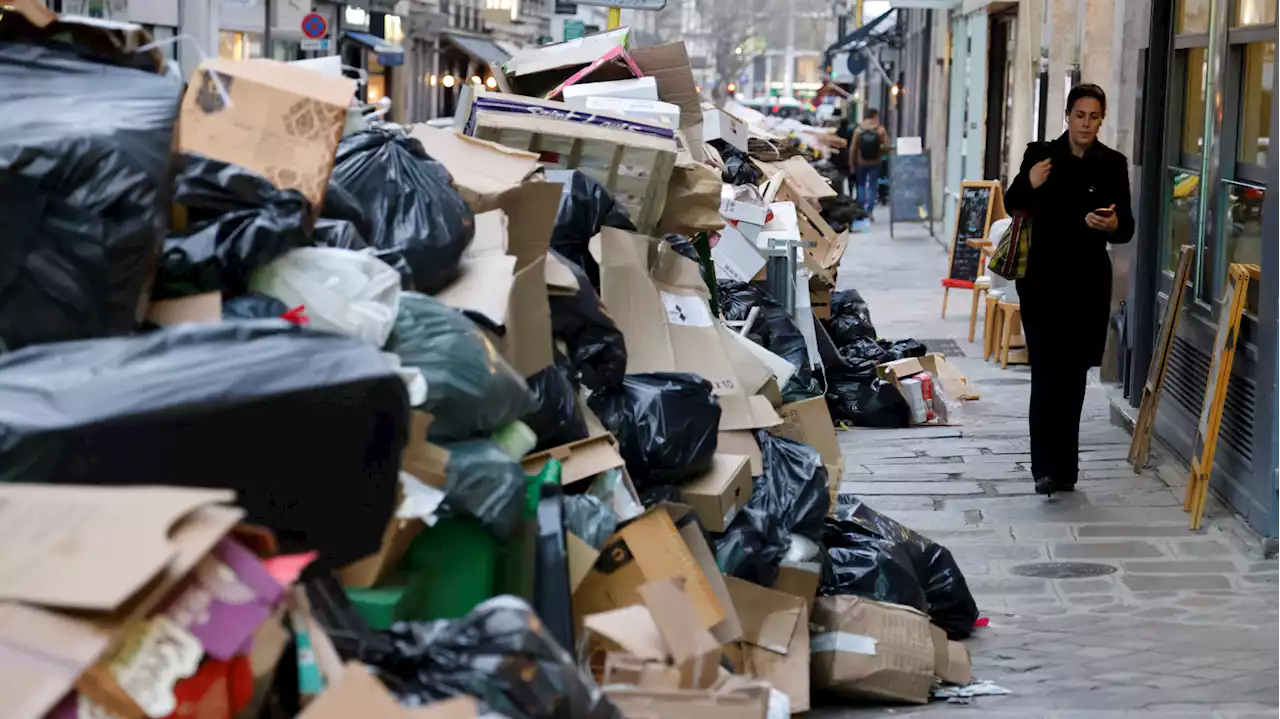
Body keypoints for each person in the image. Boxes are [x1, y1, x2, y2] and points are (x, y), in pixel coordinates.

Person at [1004, 83, 1134, 496]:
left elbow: (1126, 226)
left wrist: (1111, 226)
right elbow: (1013, 204)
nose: (1087, 124)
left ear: (1102, 119)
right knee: (1046, 372)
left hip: (1087, 282)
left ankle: (1066, 469)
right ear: (1067, 114)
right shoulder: (1041, 155)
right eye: (1081, 115)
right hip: (1042, 280)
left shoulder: (1112, 163)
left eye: (1095, 117)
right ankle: (1045, 468)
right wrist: (1029, 180)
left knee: (1074, 374)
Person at [851, 108, 889, 216]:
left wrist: (852, 163)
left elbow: (853, 148)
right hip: (875, 161)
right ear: (875, 116)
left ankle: (861, 209)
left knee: (861, 184)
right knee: (873, 186)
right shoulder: (880, 129)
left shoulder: (859, 130)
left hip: (861, 162)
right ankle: (869, 211)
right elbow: (886, 146)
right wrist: (882, 153)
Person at [832, 109, 855, 197]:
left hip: (840, 159)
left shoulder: (837, 133)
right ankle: (851, 194)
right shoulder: (851, 133)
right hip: (849, 158)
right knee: (851, 179)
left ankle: (840, 194)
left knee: (840, 178)